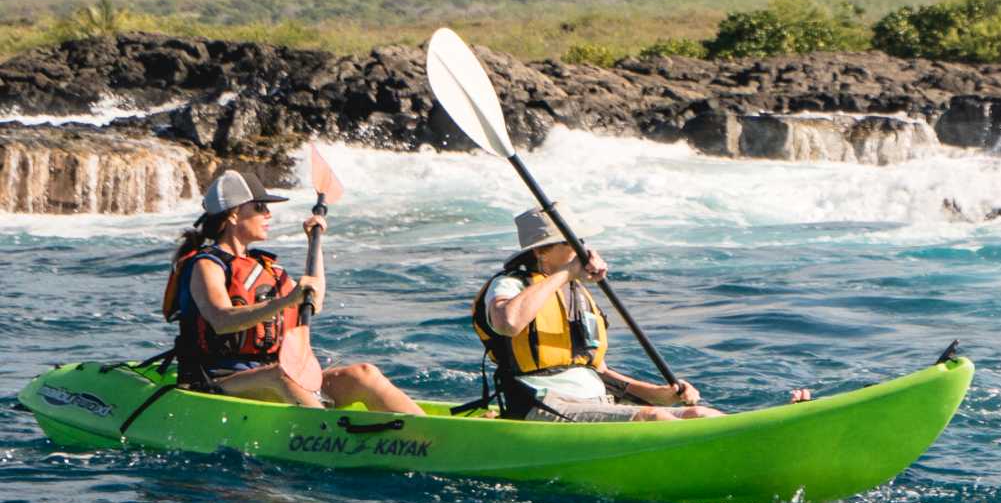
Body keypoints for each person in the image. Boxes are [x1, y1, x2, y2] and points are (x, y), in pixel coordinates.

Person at [474, 208, 809, 422]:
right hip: (539, 404)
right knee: (655, 420)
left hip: (595, 399)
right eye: (572, 243)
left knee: (696, 413)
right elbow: (508, 322)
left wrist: (658, 393)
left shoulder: (577, 294)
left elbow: (597, 370)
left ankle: (759, 435)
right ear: (544, 252)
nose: (583, 249)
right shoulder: (508, 284)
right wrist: (564, 274)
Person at [167, 168, 422, 414]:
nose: (268, 214)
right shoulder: (206, 265)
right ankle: (330, 438)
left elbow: (315, 302)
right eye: (259, 207)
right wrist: (286, 300)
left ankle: (428, 435)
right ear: (233, 215)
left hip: (271, 376)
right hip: (217, 381)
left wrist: (314, 244)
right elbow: (221, 320)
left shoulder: (263, 267)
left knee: (364, 374)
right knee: (280, 375)